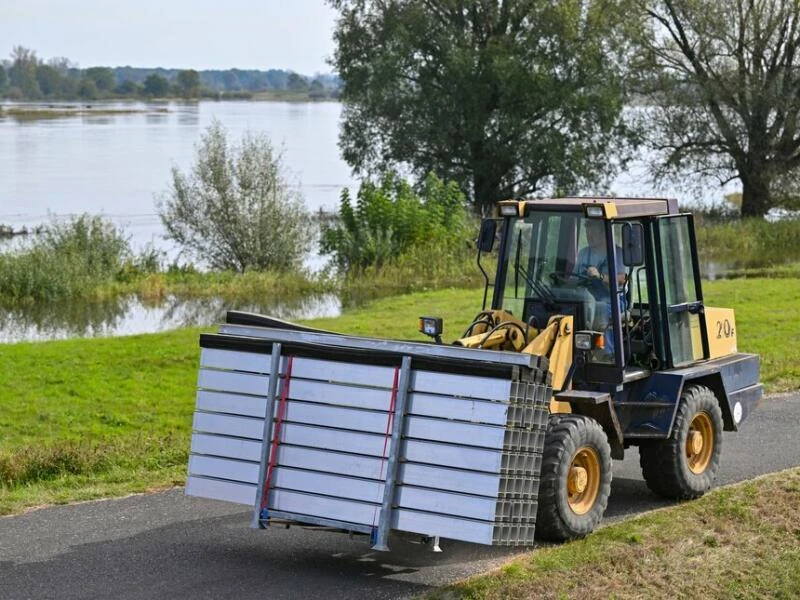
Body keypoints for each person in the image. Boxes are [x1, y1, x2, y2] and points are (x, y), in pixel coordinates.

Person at [574, 219, 626, 354]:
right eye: (587, 232)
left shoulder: (617, 253)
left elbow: (622, 279)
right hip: (586, 299)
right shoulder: (583, 253)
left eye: (593, 233)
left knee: (600, 309)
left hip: (612, 301)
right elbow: (574, 277)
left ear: (604, 233)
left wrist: (601, 276)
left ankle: (607, 354)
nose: (589, 236)